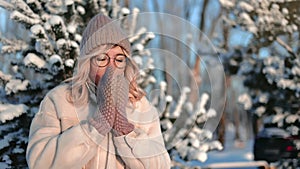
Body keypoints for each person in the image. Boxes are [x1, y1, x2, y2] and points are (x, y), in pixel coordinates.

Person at [26, 13, 171, 169]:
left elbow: (161, 165)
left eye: (119, 59)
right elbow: (40, 163)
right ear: (87, 63)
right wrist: (97, 126)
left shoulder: (141, 105)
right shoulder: (59, 99)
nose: (112, 67)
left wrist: (124, 130)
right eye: (102, 58)